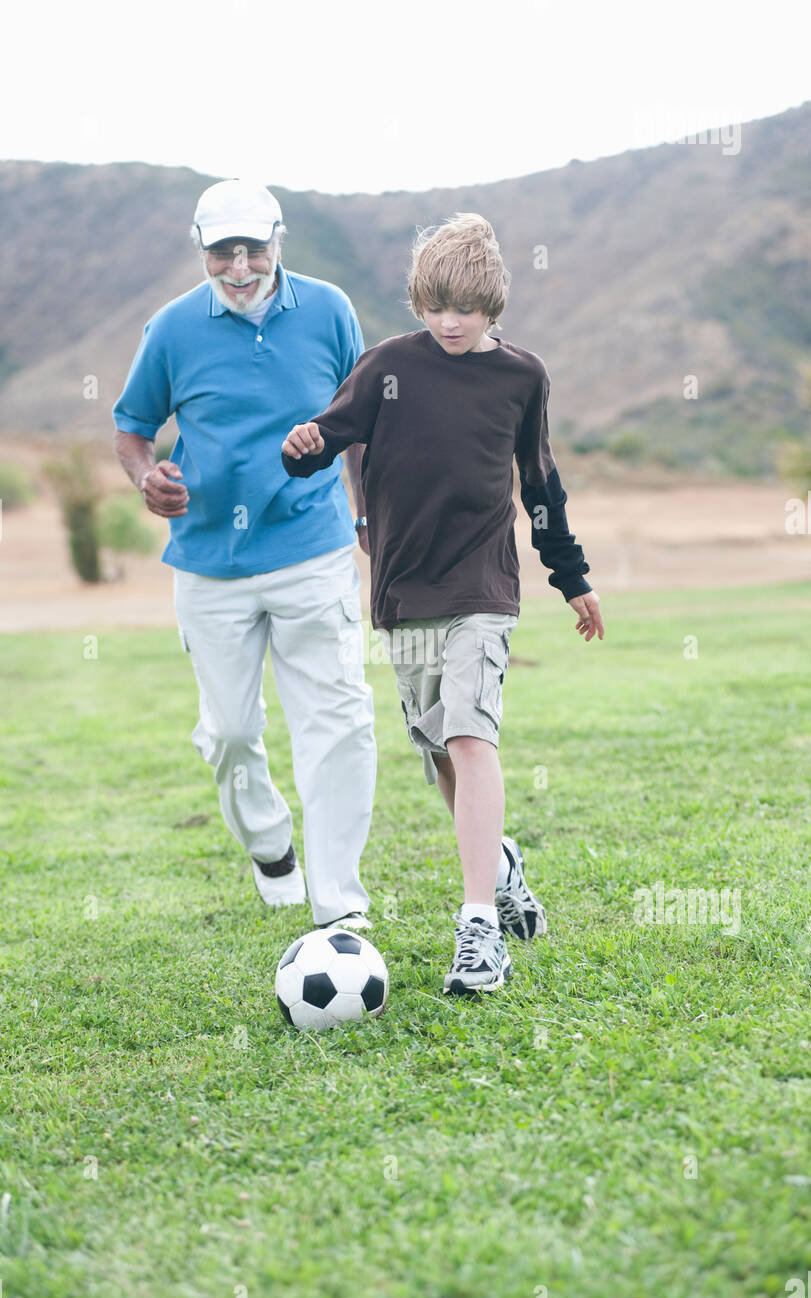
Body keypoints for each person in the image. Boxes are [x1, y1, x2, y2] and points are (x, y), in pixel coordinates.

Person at [282, 213, 604, 993]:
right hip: (402, 589)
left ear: (492, 303)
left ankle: (477, 929)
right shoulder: (388, 365)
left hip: (482, 587)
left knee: (467, 734)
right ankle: (499, 865)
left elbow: (540, 484)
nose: (447, 322)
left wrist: (571, 575)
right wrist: (304, 450)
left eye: (462, 307)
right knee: (437, 756)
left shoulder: (521, 378)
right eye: (433, 307)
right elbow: (328, 436)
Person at [113, 180, 376, 931]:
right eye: (221, 250)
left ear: (279, 241)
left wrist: (365, 513)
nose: (238, 265)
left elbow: (358, 421)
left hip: (310, 546)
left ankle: (339, 905)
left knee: (337, 718)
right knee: (229, 731)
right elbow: (132, 427)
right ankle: (270, 848)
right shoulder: (169, 329)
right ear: (200, 249)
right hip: (208, 563)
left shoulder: (329, 310)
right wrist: (146, 477)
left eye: (252, 247)